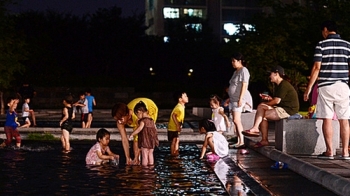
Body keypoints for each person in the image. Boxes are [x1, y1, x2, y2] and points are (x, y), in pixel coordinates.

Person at [304, 21, 350, 160]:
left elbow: (317, 67)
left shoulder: (321, 45)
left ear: (325, 30)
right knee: (344, 119)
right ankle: (345, 152)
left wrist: (309, 88)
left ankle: (330, 151)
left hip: (326, 86)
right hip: (343, 86)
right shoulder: (348, 45)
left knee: (327, 119)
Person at [242, 65, 299, 148]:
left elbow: (277, 101)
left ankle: (256, 130)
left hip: (288, 110)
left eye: (271, 74)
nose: (270, 76)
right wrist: (269, 99)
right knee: (261, 111)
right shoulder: (279, 85)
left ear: (276, 74)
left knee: (261, 111)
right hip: (283, 108)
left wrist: (266, 104)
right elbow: (278, 100)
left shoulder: (283, 85)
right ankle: (262, 137)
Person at [111, 98, 158, 165]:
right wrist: (128, 158)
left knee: (146, 145)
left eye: (121, 119)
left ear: (127, 114)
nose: (119, 122)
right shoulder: (119, 122)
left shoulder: (137, 116)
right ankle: (138, 161)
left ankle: (147, 165)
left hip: (150, 107)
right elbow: (124, 139)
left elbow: (139, 137)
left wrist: (136, 156)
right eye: (117, 120)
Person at [227, 53, 253, 149]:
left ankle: (241, 141)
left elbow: (244, 85)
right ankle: (239, 140)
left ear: (239, 61)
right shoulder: (236, 72)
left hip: (239, 99)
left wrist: (241, 98)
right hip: (233, 99)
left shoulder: (244, 70)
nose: (232, 63)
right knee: (235, 120)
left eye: (234, 61)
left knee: (236, 120)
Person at [128, 101, 159, 167]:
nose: (138, 118)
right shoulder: (152, 120)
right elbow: (155, 129)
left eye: (137, 115)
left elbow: (139, 129)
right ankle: (151, 167)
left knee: (144, 154)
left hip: (145, 141)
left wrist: (132, 134)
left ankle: (145, 169)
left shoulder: (143, 121)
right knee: (150, 153)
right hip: (152, 141)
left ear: (139, 112)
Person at [168, 91, 189, 156]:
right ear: (180, 99)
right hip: (173, 127)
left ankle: (175, 153)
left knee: (176, 140)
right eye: (185, 96)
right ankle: (173, 154)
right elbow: (173, 115)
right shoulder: (179, 107)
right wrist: (177, 125)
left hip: (175, 127)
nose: (187, 97)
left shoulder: (181, 106)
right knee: (174, 141)